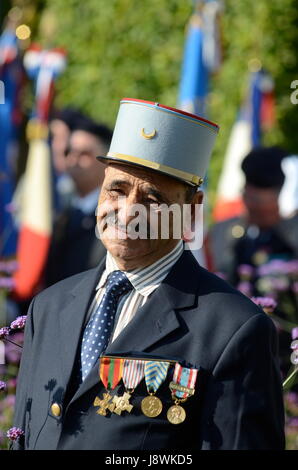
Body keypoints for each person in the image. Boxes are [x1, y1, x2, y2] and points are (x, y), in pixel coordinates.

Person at [11, 98, 285, 450]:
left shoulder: (232, 329)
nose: (128, 213)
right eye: (117, 190)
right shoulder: (48, 307)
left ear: (191, 209)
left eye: (153, 200)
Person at [209, 146, 298, 284]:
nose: (251, 206)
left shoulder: (291, 235)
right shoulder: (223, 231)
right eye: (248, 197)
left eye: (259, 202)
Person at [44, 117, 112, 287]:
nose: (73, 160)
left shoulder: (115, 220)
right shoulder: (57, 212)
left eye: (84, 154)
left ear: (106, 162)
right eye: (69, 152)